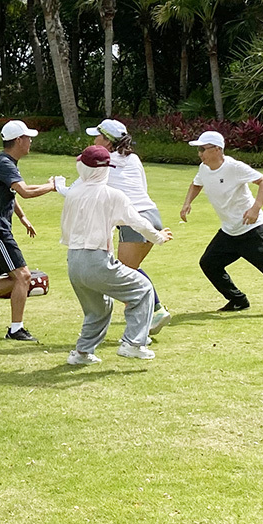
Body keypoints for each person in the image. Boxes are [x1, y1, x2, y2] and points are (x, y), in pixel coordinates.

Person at [179, 130, 263, 316]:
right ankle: (238, 300)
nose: (199, 153)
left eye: (203, 149)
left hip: (252, 230)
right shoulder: (204, 169)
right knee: (209, 263)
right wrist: (187, 203)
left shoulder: (235, 167)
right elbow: (196, 184)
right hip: (229, 232)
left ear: (217, 149)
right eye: (199, 149)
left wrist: (255, 209)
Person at [61, 144, 174, 364]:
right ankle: (133, 344)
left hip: (73, 260)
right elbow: (138, 222)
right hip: (96, 259)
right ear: (105, 169)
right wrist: (158, 237)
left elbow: (67, 228)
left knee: (99, 309)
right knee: (143, 289)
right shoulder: (112, 195)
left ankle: (82, 353)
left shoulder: (73, 194)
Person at [0, 119, 60, 342]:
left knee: (13, 278)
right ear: (18, 140)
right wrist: (52, 186)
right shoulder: (4, 163)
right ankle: (16, 329)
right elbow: (25, 191)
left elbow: (13, 193)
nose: (30, 142)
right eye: (28, 138)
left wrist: (22, 217)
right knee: (23, 276)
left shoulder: (7, 163)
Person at [87, 118, 173, 336]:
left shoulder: (102, 162)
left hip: (133, 220)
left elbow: (90, 190)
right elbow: (141, 187)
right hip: (152, 215)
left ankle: (153, 312)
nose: (94, 141)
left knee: (123, 276)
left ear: (107, 141)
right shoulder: (133, 158)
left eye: (97, 137)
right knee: (130, 272)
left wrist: (57, 187)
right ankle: (152, 314)